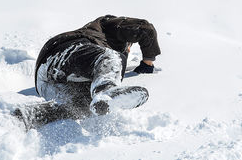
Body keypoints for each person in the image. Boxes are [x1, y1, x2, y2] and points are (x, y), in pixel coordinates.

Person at [14, 15, 161, 129]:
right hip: (62, 51)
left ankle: (29, 116)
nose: (129, 49)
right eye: (129, 45)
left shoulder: (98, 64)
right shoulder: (107, 25)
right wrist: (147, 63)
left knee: (83, 107)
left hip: (46, 82)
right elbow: (145, 28)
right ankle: (105, 90)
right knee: (111, 58)